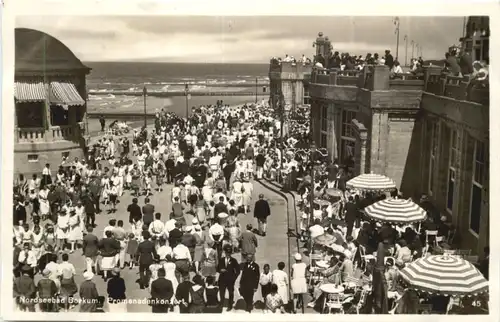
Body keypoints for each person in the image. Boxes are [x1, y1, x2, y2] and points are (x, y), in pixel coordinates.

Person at [217, 245, 240, 311]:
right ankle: (221, 305)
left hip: (230, 280)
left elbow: (238, 271)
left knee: (231, 293)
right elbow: (217, 268)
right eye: (227, 253)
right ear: (225, 252)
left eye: (229, 253)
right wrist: (220, 270)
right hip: (222, 280)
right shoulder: (221, 260)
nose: (228, 254)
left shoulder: (234, 260)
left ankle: (230, 306)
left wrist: (234, 278)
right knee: (222, 293)